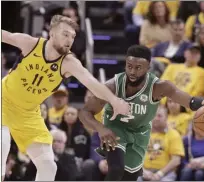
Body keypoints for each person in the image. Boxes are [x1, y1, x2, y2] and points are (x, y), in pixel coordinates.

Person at [1, 15, 130, 181]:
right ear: (52, 33)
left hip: (28, 113)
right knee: (2, 143)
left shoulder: (69, 62)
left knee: (48, 166)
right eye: (65, 34)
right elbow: (4, 35)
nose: (69, 40)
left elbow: (92, 83)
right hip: (3, 99)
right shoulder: (31, 44)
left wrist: (115, 101)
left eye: (73, 36)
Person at [79, 45, 204, 181]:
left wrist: (203, 102)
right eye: (129, 67)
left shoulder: (159, 87)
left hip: (139, 135)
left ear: (148, 67)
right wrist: (101, 129)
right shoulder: (113, 86)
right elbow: (85, 112)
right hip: (115, 130)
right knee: (116, 169)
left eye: (138, 67)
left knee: (130, 176)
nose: (133, 72)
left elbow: (188, 101)